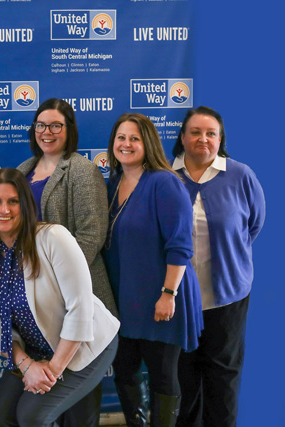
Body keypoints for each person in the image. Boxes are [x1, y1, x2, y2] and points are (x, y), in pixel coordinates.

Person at [0, 168, 120, 427]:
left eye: (13, 201)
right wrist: (26, 365)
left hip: (86, 345)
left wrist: (51, 371)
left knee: (32, 416)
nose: (3, 209)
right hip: (33, 350)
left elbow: (80, 309)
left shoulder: (53, 237)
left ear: (26, 205)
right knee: (2, 412)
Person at [17, 98, 117, 426]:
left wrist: (59, 281)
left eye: (56, 125)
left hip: (79, 295)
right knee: (50, 396)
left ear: (69, 130)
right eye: (41, 125)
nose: (47, 132)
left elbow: (92, 234)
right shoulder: (22, 171)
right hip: (38, 302)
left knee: (79, 395)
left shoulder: (82, 170)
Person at [103, 113, 203, 427]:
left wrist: (169, 294)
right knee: (125, 371)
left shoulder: (165, 182)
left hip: (161, 297)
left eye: (134, 138)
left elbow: (181, 245)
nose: (126, 144)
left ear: (148, 143)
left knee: (162, 376)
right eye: (121, 137)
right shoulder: (114, 182)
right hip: (123, 300)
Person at [171, 107, 265, 427]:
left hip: (227, 298)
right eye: (195, 132)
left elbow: (253, 224)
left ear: (220, 139)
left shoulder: (241, 175)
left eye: (211, 133)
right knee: (184, 380)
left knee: (223, 381)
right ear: (182, 137)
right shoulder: (166, 177)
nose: (203, 139)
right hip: (179, 301)